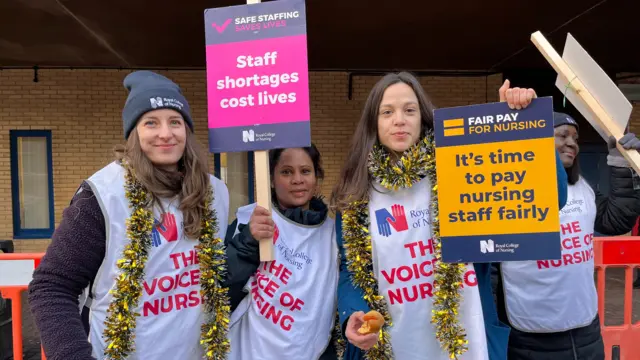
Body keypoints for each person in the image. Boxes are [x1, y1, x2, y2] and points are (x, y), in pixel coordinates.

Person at [330, 72, 568, 360]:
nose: (399, 120)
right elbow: (353, 275)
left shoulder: (462, 169)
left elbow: (551, 198)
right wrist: (354, 312)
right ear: (374, 123)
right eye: (387, 112)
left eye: (409, 110)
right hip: (393, 345)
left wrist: (522, 127)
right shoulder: (356, 195)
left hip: (466, 342)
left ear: (423, 118)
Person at [28, 71, 234, 360]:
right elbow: (51, 286)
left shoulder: (215, 193)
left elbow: (219, 276)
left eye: (175, 121)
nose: (165, 133)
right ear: (134, 133)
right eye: (151, 122)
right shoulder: (103, 194)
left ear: (187, 130)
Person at [496, 112, 640, 360]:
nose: (572, 143)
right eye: (562, 135)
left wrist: (623, 163)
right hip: (529, 336)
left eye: (575, 138)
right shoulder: (505, 193)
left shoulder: (583, 189)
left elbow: (615, 220)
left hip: (585, 333)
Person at [223, 144, 340, 359]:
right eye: (286, 172)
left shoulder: (333, 234)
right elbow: (222, 289)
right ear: (271, 179)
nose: (297, 180)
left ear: (316, 176)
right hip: (250, 350)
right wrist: (248, 241)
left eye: (305, 171)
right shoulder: (248, 220)